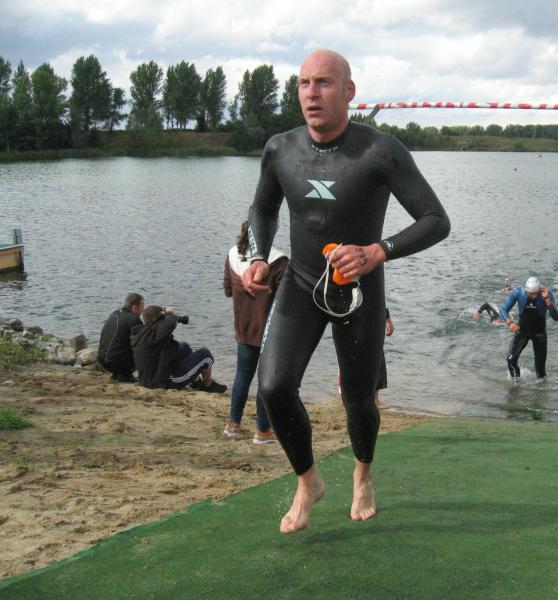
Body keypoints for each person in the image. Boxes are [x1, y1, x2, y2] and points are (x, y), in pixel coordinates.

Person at [241, 49, 450, 534]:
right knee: (273, 387)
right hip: (301, 283)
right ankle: (308, 481)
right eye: (304, 83)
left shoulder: (380, 150)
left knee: (359, 401)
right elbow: (263, 209)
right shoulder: (280, 149)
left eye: (324, 83)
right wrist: (258, 256)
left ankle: (362, 473)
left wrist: (378, 251)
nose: (312, 93)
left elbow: (436, 220)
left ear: (349, 91)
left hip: (359, 290)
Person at [223, 221, 289, 443]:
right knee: (264, 380)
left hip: (244, 326)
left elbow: (228, 290)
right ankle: (262, 430)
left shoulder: (232, 255)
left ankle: (233, 425)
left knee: (242, 375)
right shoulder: (279, 261)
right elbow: (285, 302)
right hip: (270, 330)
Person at [130, 305, 227, 393]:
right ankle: (208, 385)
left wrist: (167, 319)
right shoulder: (156, 333)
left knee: (184, 347)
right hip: (164, 381)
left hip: (148, 378)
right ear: (156, 320)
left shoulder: (145, 333)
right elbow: (169, 324)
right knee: (205, 354)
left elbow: (165, 339)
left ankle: (195, 382)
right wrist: (169, 314)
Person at [500, 277, 558, 380]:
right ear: (526, 290)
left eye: (535, 293)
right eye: (530, 294)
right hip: (522, 331)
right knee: (511, 359)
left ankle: (541, 389)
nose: (533, 296)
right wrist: (510, 323)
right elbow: (503, 309)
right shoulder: (519, 292)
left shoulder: (547, 294)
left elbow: (556, 317)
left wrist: (547, 299)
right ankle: (516, 384)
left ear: (539, 290)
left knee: (540, 370)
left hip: (539, 334)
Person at [97, 293, 144, 382]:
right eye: (142, 307)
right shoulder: (134, 319)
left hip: (103, 360)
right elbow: (143, 342)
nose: (143, 310)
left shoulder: (114, 314)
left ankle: (118, 374)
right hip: (119, 363)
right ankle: (127, 375)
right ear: (134, 307)